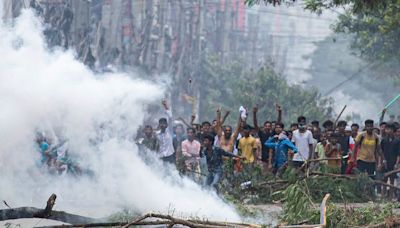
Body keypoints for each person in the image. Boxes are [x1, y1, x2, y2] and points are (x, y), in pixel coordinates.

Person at [380, 123, 400, 198]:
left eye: (390, 129)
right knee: (383, 180)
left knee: (392, 180)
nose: (388, 131)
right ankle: (382, 196)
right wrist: (382, 161)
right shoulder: (384, 140)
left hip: (393, 162)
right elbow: (380, 151)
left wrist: (396, 164)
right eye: (387, 129)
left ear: (393, 130)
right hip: (385, 162)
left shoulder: (397, 141)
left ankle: (390, 197)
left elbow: (399, 154)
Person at [156, 100, 176, 164]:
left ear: (167, 125)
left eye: (164, 123)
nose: (162, 125)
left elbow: (170, 117)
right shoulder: (157, 134)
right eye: (161, 123)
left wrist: (166, 106)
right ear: (159, 125)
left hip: (170, 155)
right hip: (161, 156)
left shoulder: (170, 131)